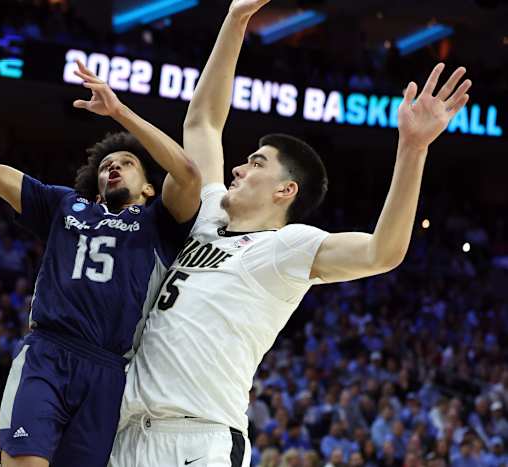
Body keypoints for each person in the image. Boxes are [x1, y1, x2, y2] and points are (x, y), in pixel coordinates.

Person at [109, 0, 472, 465]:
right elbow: (202, 122)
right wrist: (236, 18)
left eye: (257, 162)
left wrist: (413, 148)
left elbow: (383, 252)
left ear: (286, 189)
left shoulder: (284, 247)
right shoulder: (205, 214)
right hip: (126, 432)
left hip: (197, 439)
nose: (239, 167)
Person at [0, 58, 201, 467]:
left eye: (126, 162)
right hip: (48, 351)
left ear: (150, 188)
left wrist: (119, 110)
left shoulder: (160, 222)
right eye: (105, 165)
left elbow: (189, 171)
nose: (113, 166)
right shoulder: (64, 204)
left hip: (108, 370)